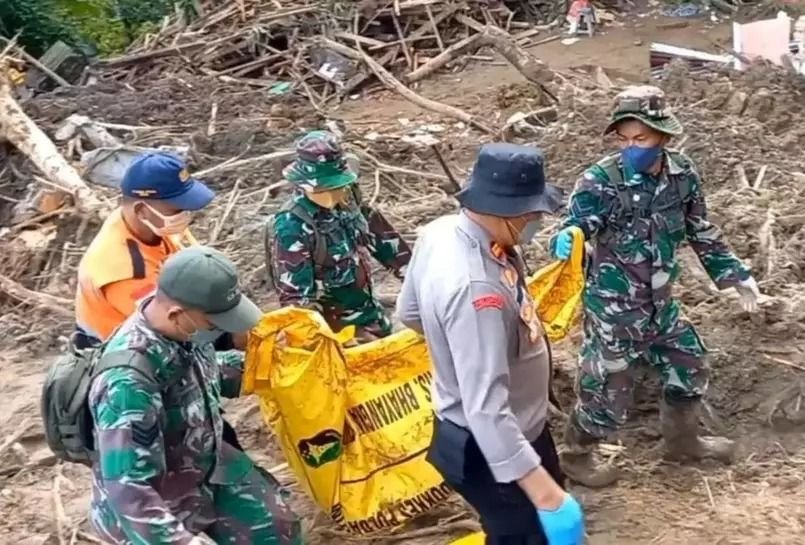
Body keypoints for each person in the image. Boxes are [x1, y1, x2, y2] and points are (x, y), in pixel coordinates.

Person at [552, 86, 760, 487]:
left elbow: (701, 230)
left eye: (641, 139)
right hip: (614, 309)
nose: (633, 148)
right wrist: (568, 238)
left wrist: (735, 274)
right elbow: (577, 227)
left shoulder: (682, 175)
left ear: (663, 136)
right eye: (625, 140)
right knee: (606, 393)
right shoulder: (599, 181)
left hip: (661, 305)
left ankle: (683, 443)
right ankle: (577, 455)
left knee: (690, 365)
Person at [396, 143, 584, 545]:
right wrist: (546, 495)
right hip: (490, 445)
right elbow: (485, 409)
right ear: (507, 211)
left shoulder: (441, 231)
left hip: (512, 429)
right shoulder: (476, 291)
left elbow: (409, 311)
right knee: (523, 535)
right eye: (533, 214)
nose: (536, 221)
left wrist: (462, 354)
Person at [88, 246, 302, 545]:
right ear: (177, 314)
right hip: (151, 498)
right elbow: (127, 488)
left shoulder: (185, 330)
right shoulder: (126, 383)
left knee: (277, 531)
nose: (221, 331)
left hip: (204, 463)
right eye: (216, 324)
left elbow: (208, 374)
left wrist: (280, 365)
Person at [266, 130, 411, 342]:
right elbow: (297, 303)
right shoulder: (292, 226)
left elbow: (389, 246)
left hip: (372, 318)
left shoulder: (349, 199)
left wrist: (418, 282)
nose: (332, 195)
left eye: (337, 187)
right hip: (335, 334)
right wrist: (332, 339)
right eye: (323, 188)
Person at [75, 151, 214, 348]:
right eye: (177, 209)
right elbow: (172, 326)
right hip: (118, 356)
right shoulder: (122, 268)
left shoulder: (141, 223)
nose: (185, 215)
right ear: (142, 210)